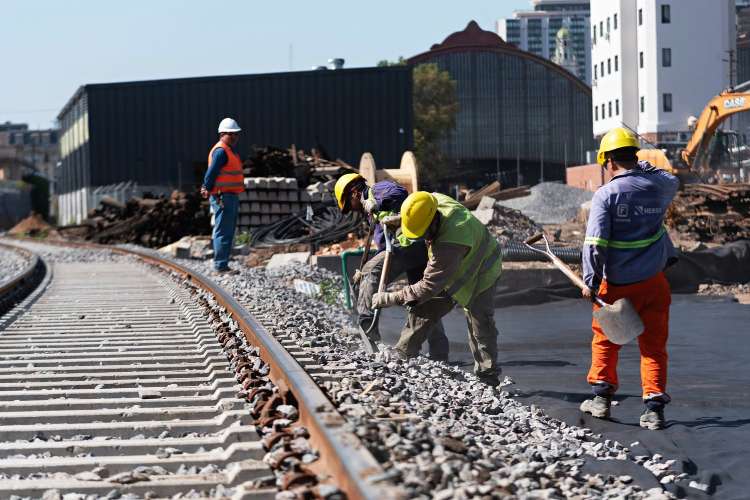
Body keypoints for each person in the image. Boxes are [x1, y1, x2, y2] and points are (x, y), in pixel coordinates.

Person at [579, 127, 679, 430]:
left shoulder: (606, 195)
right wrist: (644, 165)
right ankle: (653, 410)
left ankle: (601, 400)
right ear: (634, 156)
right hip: (654, 282)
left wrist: (590, 281)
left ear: (608, 161)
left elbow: (595, 243)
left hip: (618, 285)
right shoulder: (658, 187)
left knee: (606, 340)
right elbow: (673, 179)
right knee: (654, 346)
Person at [371, 191, 503, 386]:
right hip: (454, 264)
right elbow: (418, 209)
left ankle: (487, 378)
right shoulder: (433, 201)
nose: (422, 238)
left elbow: (427, 287)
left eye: (423, 234)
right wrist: (400, 220)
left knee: (480, 326)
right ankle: (402, 355)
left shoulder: (449, 243)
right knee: (424, 309)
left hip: (481, 270)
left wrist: (389, 298)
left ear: (433, 222)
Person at [333, 173, 449, 361]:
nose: (352, 209)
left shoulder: (376, 191)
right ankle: (440, 351)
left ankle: (367, 328)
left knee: (370, 272)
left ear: (354, 193)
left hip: (404, 245)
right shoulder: (369, 210)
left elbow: (399, 192)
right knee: (422, 299)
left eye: (349, 204)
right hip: (415, 249)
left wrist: (377, 204)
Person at [200, 118, 245, 274]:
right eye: (232, 134)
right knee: (223, 231)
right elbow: (211, 172)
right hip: (222, 196)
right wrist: (206, 186)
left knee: (228, 230)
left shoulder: (228, 151)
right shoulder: (221, 151)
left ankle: (223, 263)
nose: (235, 137)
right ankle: (220, 266)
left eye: (236, 134)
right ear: (223, 134)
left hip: (229, 195)